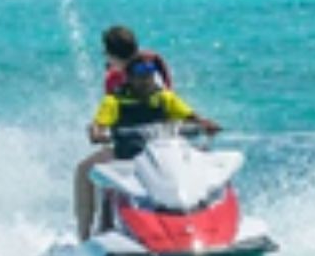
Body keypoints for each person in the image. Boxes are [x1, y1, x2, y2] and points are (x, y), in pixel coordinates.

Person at [75, 54, 219, 239]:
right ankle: (87, 234)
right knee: (88, 171)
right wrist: (96, 133)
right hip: (126, 158)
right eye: (141, 75)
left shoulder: (165, 98)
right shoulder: (114, 102)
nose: (146, 80)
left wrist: (206, 125)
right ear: (129, 78)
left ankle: (202, 220)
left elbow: (192, 116)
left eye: (150, 75)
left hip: (162, 157)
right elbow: (99, 124)